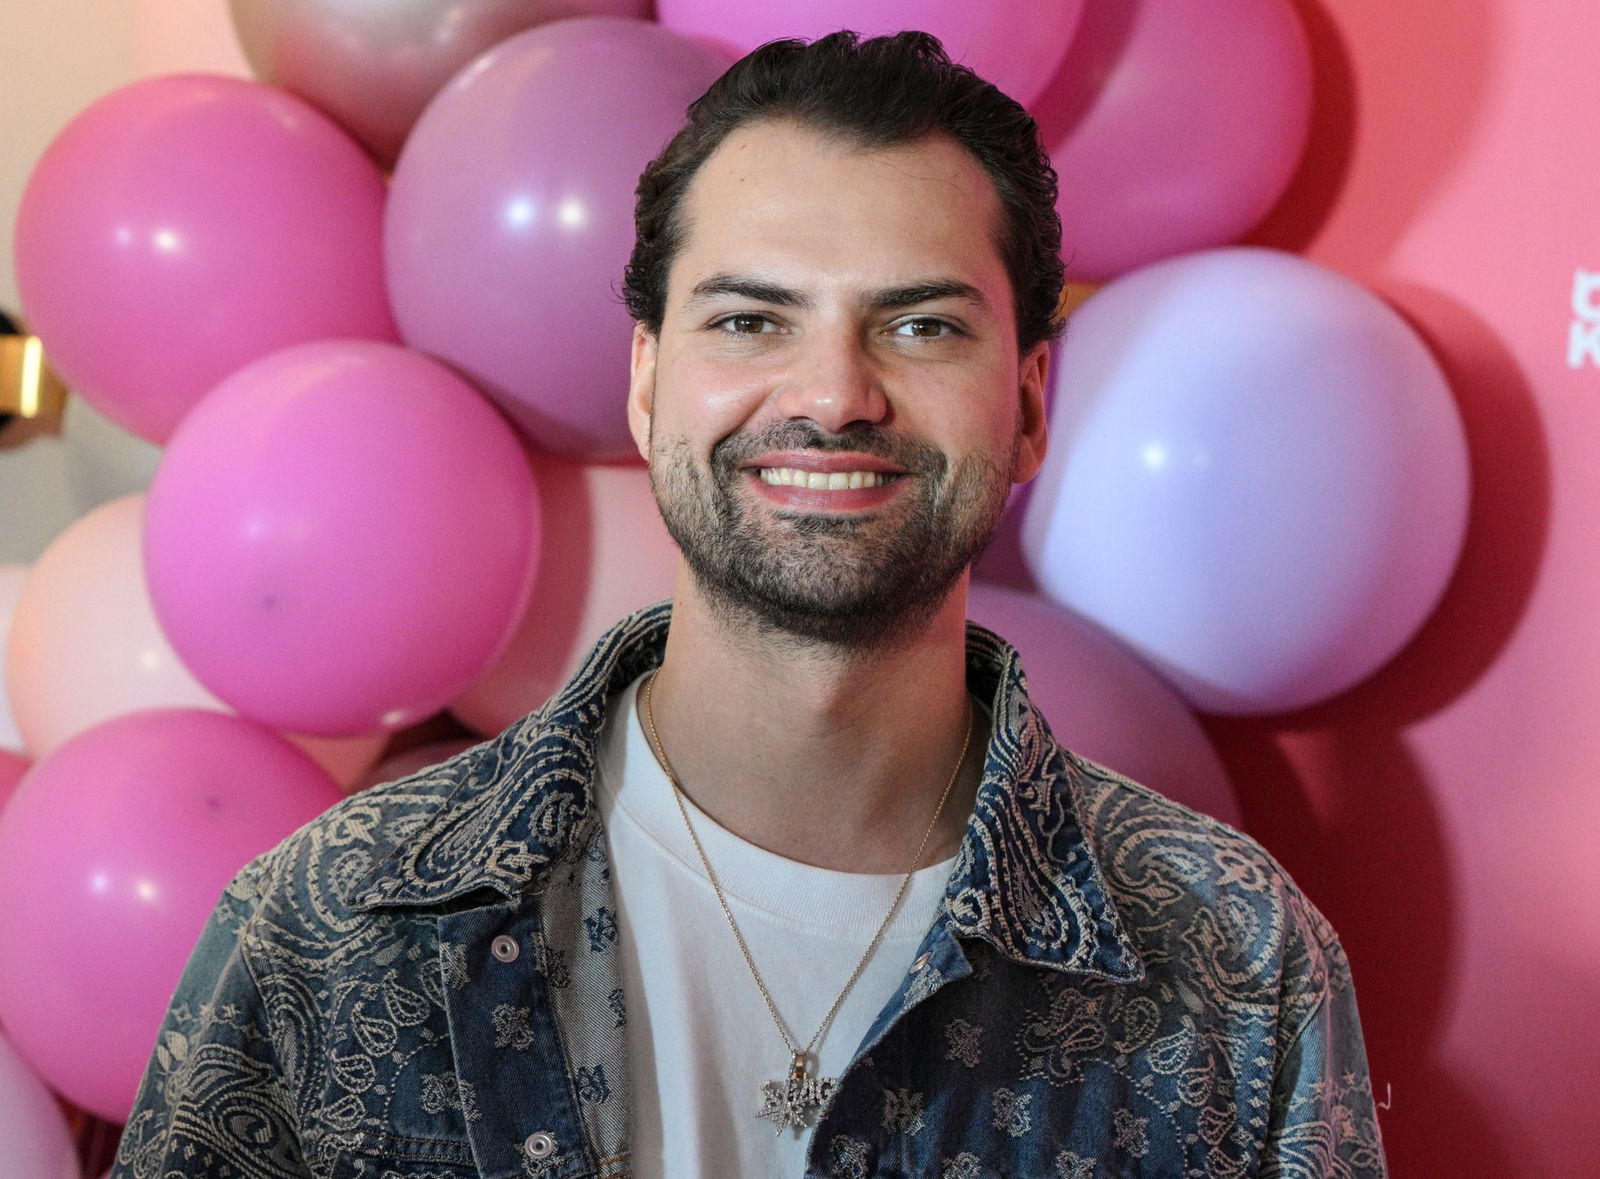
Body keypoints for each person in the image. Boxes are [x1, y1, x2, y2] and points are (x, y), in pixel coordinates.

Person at [113, 31, 1387, 1179]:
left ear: (1032, 408)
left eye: (923, 327)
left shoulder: (1235, 966)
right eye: (749, 320)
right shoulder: (330, 925)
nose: (832, 394)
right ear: (648, 384)